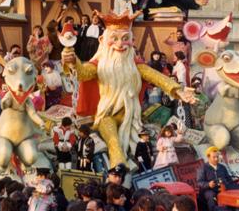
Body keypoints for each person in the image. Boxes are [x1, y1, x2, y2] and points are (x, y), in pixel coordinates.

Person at [62, 10, 196, 168]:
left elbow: (157, 77)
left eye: (125, 39)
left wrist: (178, 90)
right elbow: (83, 73)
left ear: (132, 41)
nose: (120, 44)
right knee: (111, 134)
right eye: (114, 39)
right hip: (107, 113)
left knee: (137, 141)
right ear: (102, 40)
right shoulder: (99, 64)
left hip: (132, 116)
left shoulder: (136, 65)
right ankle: (118, 163)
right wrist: (72, 61)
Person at [197, 147, 239, 211]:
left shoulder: (222, 167)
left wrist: (230, 183)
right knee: (211, 195)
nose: (216, 159)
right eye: (214, 157)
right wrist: (208, 184)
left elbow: (228, 178)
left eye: (217, 157)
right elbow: (199, 182)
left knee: (233, 193)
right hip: (208, 190)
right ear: (208, 157)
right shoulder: (203, 168)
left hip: (222, 189)